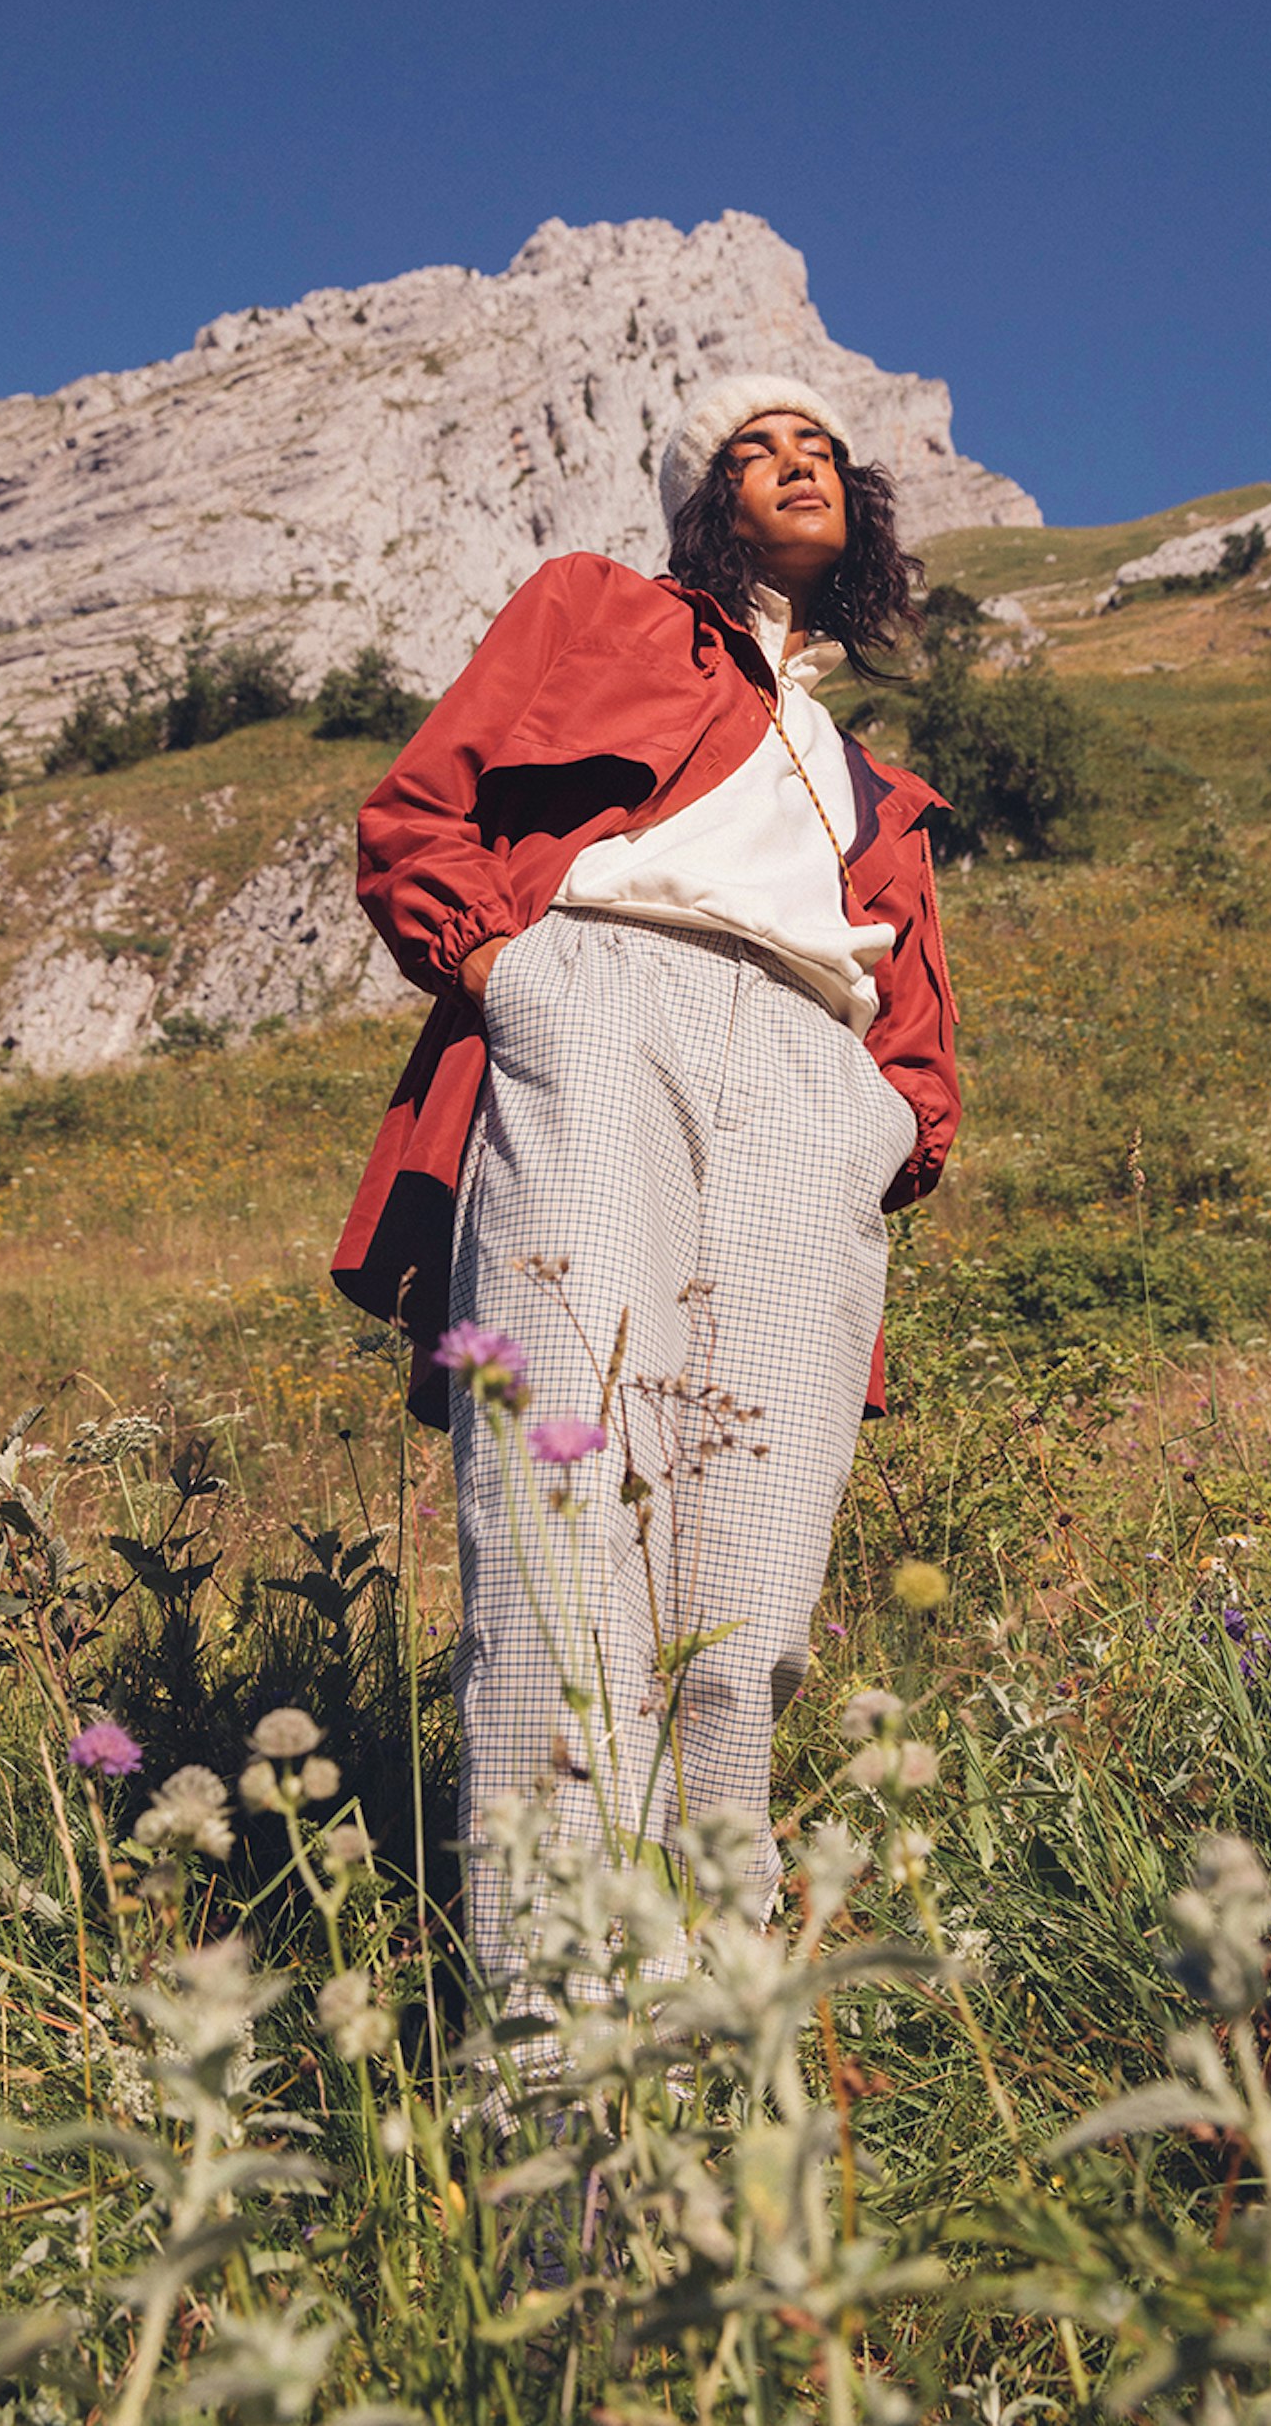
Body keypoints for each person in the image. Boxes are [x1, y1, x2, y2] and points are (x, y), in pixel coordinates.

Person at [332, 373, 961, 1983]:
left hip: (812, 1081)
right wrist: (508, 967)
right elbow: (421, 808)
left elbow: (919, 1009)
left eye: (817, 446)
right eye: (754, 450)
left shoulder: (860, 770)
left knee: (751, 1584)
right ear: (703, 499)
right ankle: (567, 2102)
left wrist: (886, 1120)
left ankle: (716, 2052)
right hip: (605, 996)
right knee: (567, 1509)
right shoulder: (596, 613)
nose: (794, 463)